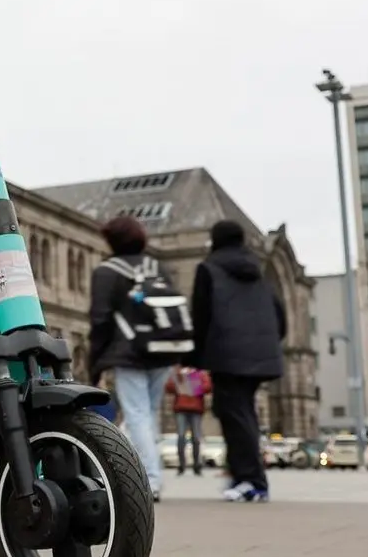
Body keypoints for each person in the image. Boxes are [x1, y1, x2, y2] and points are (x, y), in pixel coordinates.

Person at [189, 219, 286, 503]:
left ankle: (252, 481)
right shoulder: (258, 273)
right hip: (259, 353)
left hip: (227, 353)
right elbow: (279, 315)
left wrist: (194, 356)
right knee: (241, 413)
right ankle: (242, 474)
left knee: (235, 415)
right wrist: (268, 342)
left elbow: (201, 316)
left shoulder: (209, 269)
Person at [88, 214, 181, 502]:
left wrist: (95, 362)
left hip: (129, 353)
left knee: (137, 414)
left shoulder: (107, 271)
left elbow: (101, 320)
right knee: (146, 413)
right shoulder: (157, 268)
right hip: (163, 350)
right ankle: (134, 469)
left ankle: (150, 480)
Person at [165, 365, 211, 476]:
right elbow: (168, 387)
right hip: (181, 408)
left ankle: (197, 465)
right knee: (181, 436)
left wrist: (194, 385)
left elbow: (208, 387)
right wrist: (178, 380)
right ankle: (182, 465)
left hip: (196, 409)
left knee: (196, 437)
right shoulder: (178, 373)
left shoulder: (200, 373)